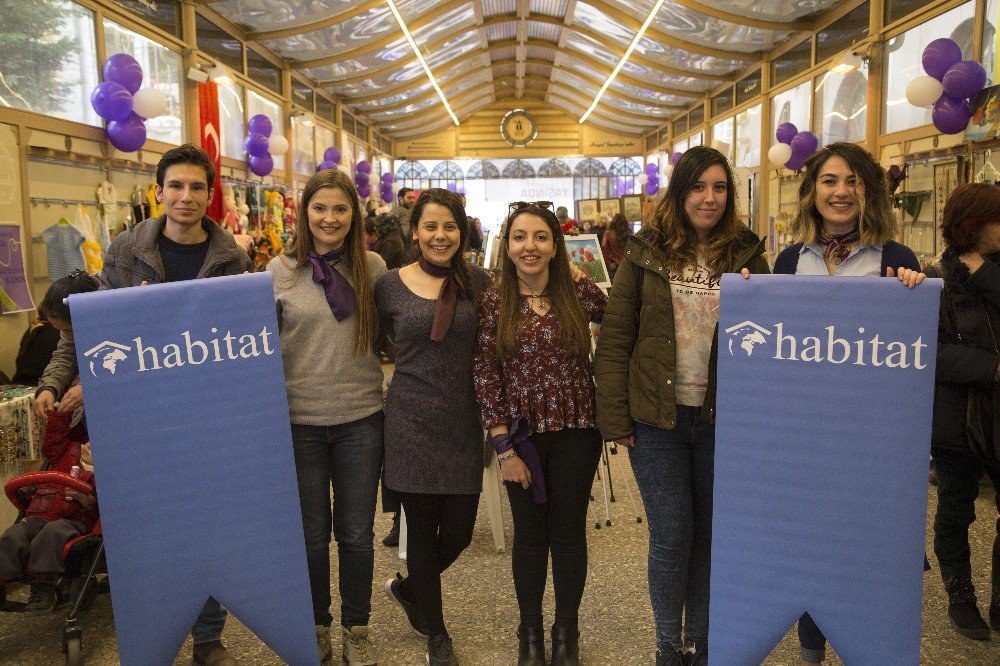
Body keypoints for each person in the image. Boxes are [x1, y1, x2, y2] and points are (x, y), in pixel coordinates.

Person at [31, 143, 252, 666]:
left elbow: (241, 340)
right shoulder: (125, 251)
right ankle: (154, 630)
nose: (186, 196)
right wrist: (54, 381)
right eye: (176, 186)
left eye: (197, 187)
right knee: (146, 529)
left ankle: (208, 637)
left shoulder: (232, 259)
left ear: (210, 194)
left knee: (206, 524)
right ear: (159, 191)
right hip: (140, 418)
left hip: (203, 416)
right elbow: (87, 328)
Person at [593, 146, 770, 665]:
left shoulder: (746, 254)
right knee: (672, 537)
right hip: (657, 419)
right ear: (679, 193)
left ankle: (706, 643)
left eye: (719, 188)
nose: (709, 198)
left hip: (723, 420)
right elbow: (616, 337)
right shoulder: (645, 253)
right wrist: (615, 419)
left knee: (712, 538)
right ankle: (669, 644)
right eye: (698, 187)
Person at [772, 141, 923, 664]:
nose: (841, 192)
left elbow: (914, 344)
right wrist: (754, 293)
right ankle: (811, 651)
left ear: (870, 191)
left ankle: (869, 644)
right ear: (812, 191)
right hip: (805, 441)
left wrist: (915, 291)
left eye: (853, 181)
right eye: (830, 181)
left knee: (863, 548)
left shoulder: (896, 260)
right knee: (809, 547)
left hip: (869, 441)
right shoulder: (790, 260)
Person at [474, 200, 606, 666]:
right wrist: (503, 446)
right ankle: (529, 633)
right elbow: (486, 374)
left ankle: (565, 632)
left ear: (555, 245)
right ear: (507, 247)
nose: (530, 246)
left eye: (540, 237)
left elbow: (622, 330)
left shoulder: (582, 293)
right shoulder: (493, 301)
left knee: (569, 534)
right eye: (520, 237)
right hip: (522, 439)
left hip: (577, 431)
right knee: (530, 536)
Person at [267, 169, 386, 666]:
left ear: (353, 215)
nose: (330, 218)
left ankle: (356, 627)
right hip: (299, 422)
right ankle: (316, 623)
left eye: (340, 209)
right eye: (320, 209)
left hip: (361, 417)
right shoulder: (279, 271)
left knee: (356, 534)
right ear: (305, 214)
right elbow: (258, 347)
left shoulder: (374, 268)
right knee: (311, 535)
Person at [377, 189, 491, 666]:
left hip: (464, 421)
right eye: (430, 226)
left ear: (462, 232)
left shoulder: (480, 283)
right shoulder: (389, 285)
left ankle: (408, 589)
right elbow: (375, 338)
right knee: (421, 533)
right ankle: (437, 637)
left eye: (449, 227)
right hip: (409, 423)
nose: (440, 236)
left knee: (460, 533)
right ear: (415, 231)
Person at [923, 183, 1000, 641]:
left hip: (997, 419)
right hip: (955, 422)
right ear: (974, 225)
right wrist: (992, 368)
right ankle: (960, 596)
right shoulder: (936, 280)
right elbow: (931, 352)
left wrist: (984, 273)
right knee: (956, 510)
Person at [0, 406, 96, 613]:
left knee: (52, 533)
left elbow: (99, 507)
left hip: (73, 521)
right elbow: (54, 436)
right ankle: (3, 578)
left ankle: (43, 586)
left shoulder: (101, 474)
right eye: (88, 441)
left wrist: (83, 495)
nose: (89, 446)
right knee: (13, 535)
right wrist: (63, 409)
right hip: (40, 514)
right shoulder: (65, 453)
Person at [602, 213, 632, 282]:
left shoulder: (607, 233)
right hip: (627, 266)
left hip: (614, 266)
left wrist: (608, 265)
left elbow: (604, 251)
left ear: (613, 221)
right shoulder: (629, 233)